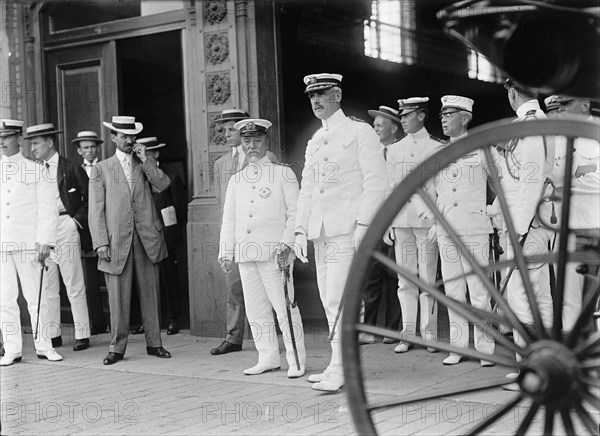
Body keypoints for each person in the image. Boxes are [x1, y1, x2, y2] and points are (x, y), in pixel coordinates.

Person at [294, 73, 387, 392]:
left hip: (347, 230)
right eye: (311, 96)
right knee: (328, 299)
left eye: (322, 94)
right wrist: (298, 230)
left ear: (338, 94)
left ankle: (342, 367)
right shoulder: (316, 140)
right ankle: (338, 364)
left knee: (339, 299)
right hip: (321, 232)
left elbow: (376, 182)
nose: (316, 101)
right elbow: (307, 188)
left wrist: (364, 225)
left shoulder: (360, 132)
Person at [218, 118, 306, 378]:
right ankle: (267, 357)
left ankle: (296, 360)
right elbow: (229, 218)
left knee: (284, 307)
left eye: (257, 140)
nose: (252, 146)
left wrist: (287, 244)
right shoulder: (237, 180)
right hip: (246, 253)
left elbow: (295, 214)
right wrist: (226, 251)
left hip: (274, 254)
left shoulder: (283, 173)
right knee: (256, 310)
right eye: (247, 141)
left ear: (267, 141)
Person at [416, 96, 496, 366]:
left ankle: (485, 348)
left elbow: (501, 184)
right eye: (442, 116)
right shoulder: (437, 153)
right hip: (446, 228)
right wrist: (432, 216)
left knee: (479, 290)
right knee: (453, 290)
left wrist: (493, 212)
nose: (444, 120)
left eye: (449, 115)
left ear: (465, 117)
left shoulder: (482, 149)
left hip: (475, 227)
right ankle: (458, 347)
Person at [89, 115, 171, 365]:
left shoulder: (143, 164)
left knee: (151, 293)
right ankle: (117, 348)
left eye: (131, 136)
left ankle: (154, 343)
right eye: (123, 136)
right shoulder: (101, 168)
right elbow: (96, 209)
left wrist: (147, 160)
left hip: (146, 237)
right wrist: (100, 242)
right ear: (114, 137)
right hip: (116, 240)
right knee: (117, 296)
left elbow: (163, 184)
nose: (129, 140)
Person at [499, 80, 555, 387]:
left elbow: (531, 181)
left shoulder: (531, 125)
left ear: (512, 92)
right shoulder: (531, 121)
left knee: (522, 295)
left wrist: (518, 229)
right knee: (538, 295)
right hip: (529, 222)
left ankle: (533, 368)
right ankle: (543, 363)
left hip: (527, 225)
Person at [211, 109, 278, 356]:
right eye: (224, 130)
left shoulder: (267, 157)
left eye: (231, 130)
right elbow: (223, 209)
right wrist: (225, 244)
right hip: (237, 238)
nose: (226, 135)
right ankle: (233, 337)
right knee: (234, 287)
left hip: (262, 235)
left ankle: (274, 338)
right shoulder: (220, 165)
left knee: (270, 289)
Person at [384, 97, 443, 354]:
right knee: (405, 279)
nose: (403, 120)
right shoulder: (395, 149)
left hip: (425, 219)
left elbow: (440, 187)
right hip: (401, 219)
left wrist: (438, 219)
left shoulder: (436, 146)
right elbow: (390, 186)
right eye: (402, 115)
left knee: (428, 279)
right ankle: (408, 334)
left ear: (421, 116)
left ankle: (429, 335)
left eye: (407, 115)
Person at [0, 119, 62, 365]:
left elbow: (48, 210)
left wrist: (44, 241)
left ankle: (44, 345)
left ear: (18, 138)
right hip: (2, 245)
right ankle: (12, 348)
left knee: (37, 298)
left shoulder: (36, 169)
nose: (2, 142)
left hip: (28, 244)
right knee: (5, 298)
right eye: (0, 138)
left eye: (6, 137)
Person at [26, 123, 91, 352]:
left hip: (65, 224)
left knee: (73, 282)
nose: (32, 148)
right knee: (49, 285)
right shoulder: (32, 170)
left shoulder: (70, 168)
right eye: (31, 143)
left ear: (50, 142)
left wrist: (75, 223)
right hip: (44, 229)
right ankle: (54, 334)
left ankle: (82, 333)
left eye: (36, 142)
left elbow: (90, 199)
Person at [545, 95, 599, 331]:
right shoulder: (558, 137)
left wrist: (564, 187)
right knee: (567, 295)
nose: (561, 109)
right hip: (563, 226)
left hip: (591, 225)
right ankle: (571, 351)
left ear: (585, 105)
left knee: (593, 297)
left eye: (567, 104)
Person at [360, 105, 404, 345]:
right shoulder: (370, 152)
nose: (375, 126)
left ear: (394, 128)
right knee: (371, 277)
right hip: (372, 222)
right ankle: (367, 329)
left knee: (395, 276)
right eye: (374, 122)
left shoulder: (401, 151)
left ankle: (392, 329)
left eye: (381, 123)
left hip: (397, 221)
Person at [139, 137, 186, 335]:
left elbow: (179, 208)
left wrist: (173, 236)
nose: (143, 158)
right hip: (144, 234)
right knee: (146, 280)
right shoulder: (137, 176)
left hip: (165, 235)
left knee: (169, 278)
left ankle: (173, 318)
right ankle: (148, 321)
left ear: (156, 154)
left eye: (147, 154)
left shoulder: (171, 175)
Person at [72, 131, 108, 336]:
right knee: (90, 282)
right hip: (85, 233)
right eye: (85, 147)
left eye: (93, 147)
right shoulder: (74, 171)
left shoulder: (107, 168)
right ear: (79, 151)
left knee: (114, 277)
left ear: (98, 148)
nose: (90, 150)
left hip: (107, 229)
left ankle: (123, 323)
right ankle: (98, 323)